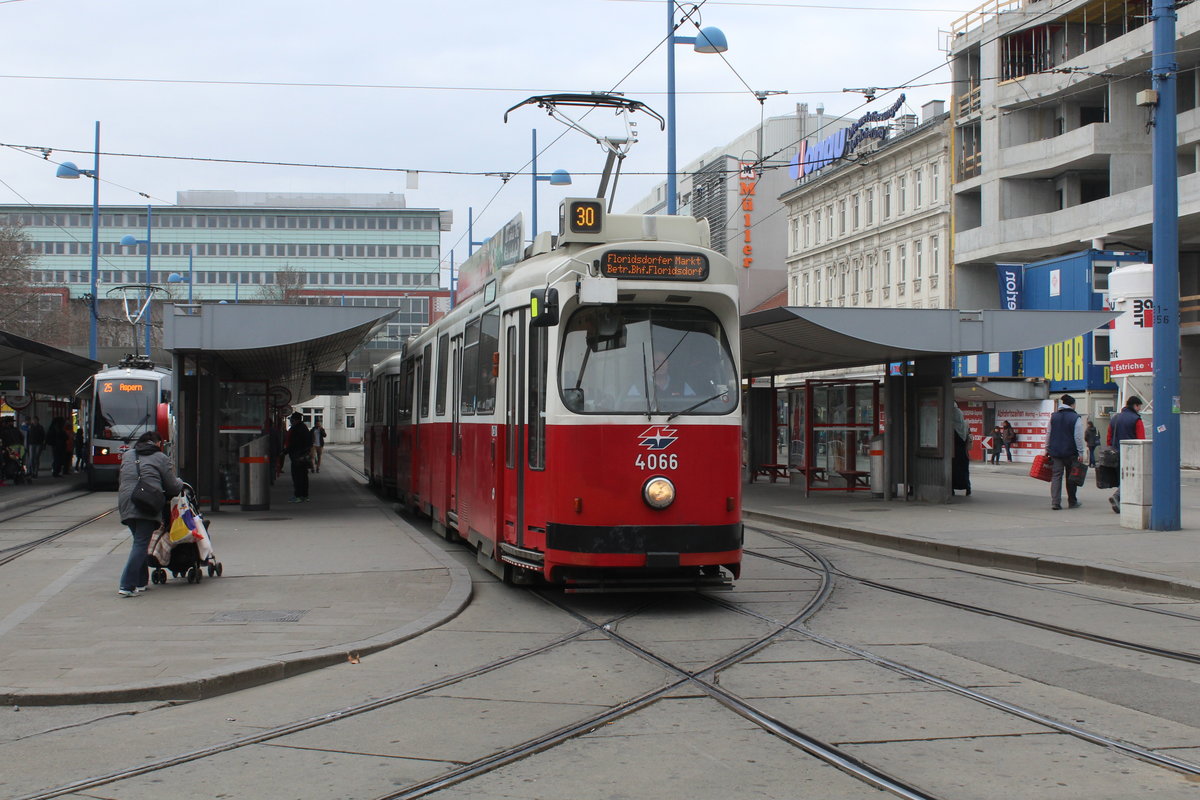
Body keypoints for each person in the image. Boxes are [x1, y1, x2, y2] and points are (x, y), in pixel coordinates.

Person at [116, 430, 182, 597]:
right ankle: (127, 584)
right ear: (157, 443)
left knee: (139, 541)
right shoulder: (160, 457)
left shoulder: (128, 455)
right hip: (146, 502)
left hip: (126, 501)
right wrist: (180, 483)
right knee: (141, 543)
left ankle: (140, 582)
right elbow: (173, 486)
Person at [1043, 393, 1085, 510]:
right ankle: (1072, 501)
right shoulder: (1075, 417)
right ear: (1072, 405)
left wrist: (1046, 449)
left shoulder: (1054, 416)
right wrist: (1081, 453)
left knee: (1056, 476)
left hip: (1055, 452)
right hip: (1070, 452)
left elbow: (1049, 433)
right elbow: (1078, 437)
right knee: (1071, 477)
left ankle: (1055, 502)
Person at [1106, 395, 1145, 513]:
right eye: (1139, 407)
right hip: (1132, 454)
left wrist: (1111, 448)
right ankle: (1118, 496)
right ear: (1135, 405)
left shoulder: (1115, 418)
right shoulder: (1136, 420)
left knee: (1121, 478)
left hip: (1116, 453)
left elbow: (1109, 437)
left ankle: (1121, 502)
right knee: (1130, 478)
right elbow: (1141, 438)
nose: (1139, 409)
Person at [285, 412, 313, 503]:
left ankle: (298, 496)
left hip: (297, 456)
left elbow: (293, 444)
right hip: (304, 457)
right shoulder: (304, 428)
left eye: (292, 420)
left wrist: (285, 452)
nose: (291, 422)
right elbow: (309, 443)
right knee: (304, 476)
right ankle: (305, 496)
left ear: (295, 420)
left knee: (297, 477)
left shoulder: (296, 429)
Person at [951, 404, 971, 496]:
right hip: (963, 454)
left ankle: (951, 489)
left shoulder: (950, 427)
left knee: (953, 472)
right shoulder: (966, 425)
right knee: (964, 471)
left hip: (953, 454)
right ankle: (968, 488)